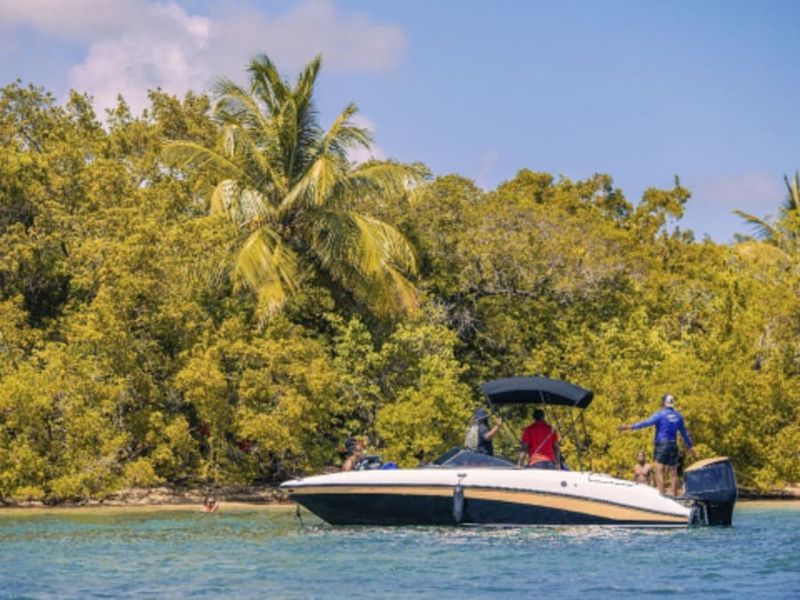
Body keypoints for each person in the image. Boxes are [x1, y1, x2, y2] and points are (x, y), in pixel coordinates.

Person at [618, 393, 696, 496]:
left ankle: (662, 495)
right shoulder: (678, 416)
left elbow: (645, 423)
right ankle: (675, 495)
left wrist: (629, 426)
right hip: (673, 444)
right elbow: (684, 434)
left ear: (664, 403)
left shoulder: (660, 414)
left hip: (662, 444)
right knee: (673, 471)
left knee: (659, 469)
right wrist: (690, 447)